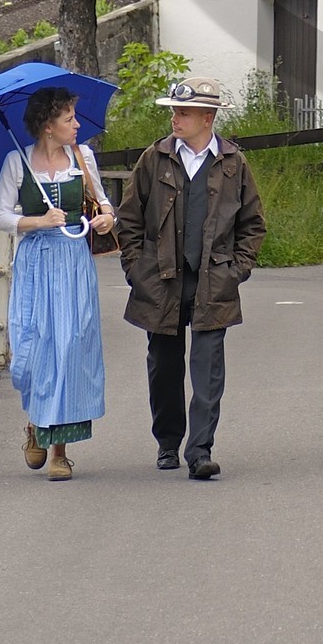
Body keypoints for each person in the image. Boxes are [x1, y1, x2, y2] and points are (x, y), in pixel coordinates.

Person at [115, 74, 266, 480]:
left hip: (214, 281)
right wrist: (136, 269)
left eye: (183, 112)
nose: (174, 119)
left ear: (207, 117)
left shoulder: (233, 164)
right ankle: (168, 443)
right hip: (160, 281)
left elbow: (253, 225)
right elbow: (128, 219)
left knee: (207, 369)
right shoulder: (154, 158)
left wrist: (237, 270)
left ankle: (200, 451)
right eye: (174, 111)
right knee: (163, 367)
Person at [0, 86, 114, 482]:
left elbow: (104, 202)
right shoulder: (17, 162)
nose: (77, 124)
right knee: (36, 344)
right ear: (48, 126)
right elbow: (1, 217)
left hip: (74, 261)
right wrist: (36, 221)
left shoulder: (83, 157)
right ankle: (35, 424)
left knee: (70, 346)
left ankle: (60, 451)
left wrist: (105, 218)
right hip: (36, 262)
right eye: (69, 119)